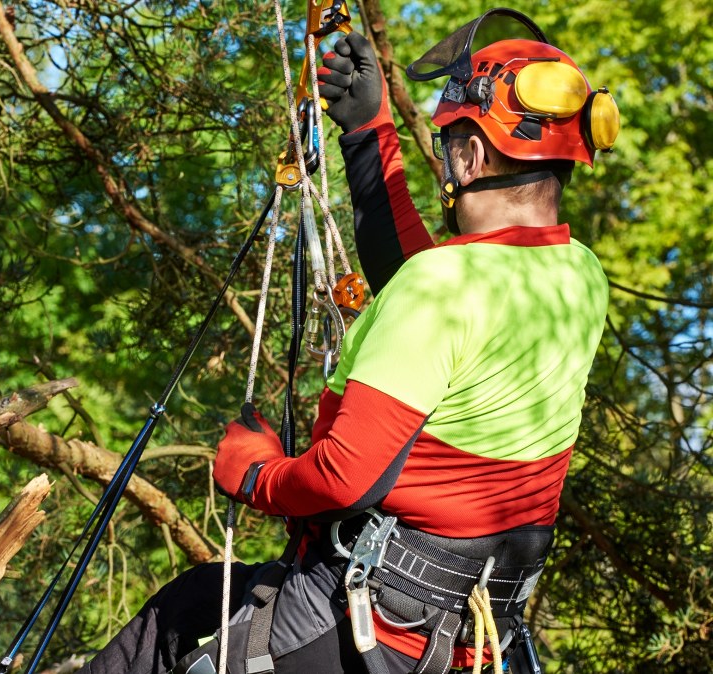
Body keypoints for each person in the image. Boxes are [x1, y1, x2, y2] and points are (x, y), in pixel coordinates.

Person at [78, 8, 615, 674]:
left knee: (170, 634)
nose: (449, 158)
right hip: (464, 631)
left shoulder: (441, 287)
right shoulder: (578, 275)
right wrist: (368, 135)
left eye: (452, 144)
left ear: (473, 156)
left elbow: (345, 479)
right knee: (193, 599)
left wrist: (256, 474)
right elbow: (432, 284)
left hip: (367, 621)